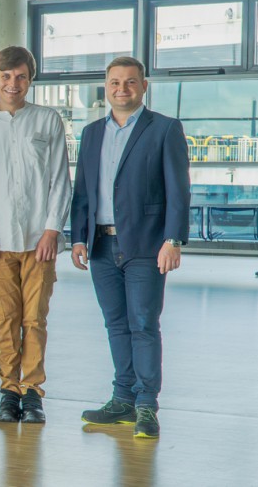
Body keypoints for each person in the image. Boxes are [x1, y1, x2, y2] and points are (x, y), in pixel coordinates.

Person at [72, 56, 190, 439]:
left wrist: (173, 240)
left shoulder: (165, 129)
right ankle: (122, 399)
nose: (121, 89)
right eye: (114, 82)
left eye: (130, 82)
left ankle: (145, 406)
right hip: (101, 246)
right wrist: (77, 237)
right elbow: (82, 193)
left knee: (143, 324)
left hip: (145, 244)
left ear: (143, 86)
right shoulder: (91, 133)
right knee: (116, 325)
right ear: (105, 86)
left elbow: (178, 190)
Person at [0, 46, 71, 424]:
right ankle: (9, 389)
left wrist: (51, 229)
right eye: (5, 77)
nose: (13, 83)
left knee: (35, 321)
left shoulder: (47, 122)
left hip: (38, 244)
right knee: (5, 319)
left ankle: (33, 392)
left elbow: (60, 180)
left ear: (30, 79)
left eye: (21, 76)